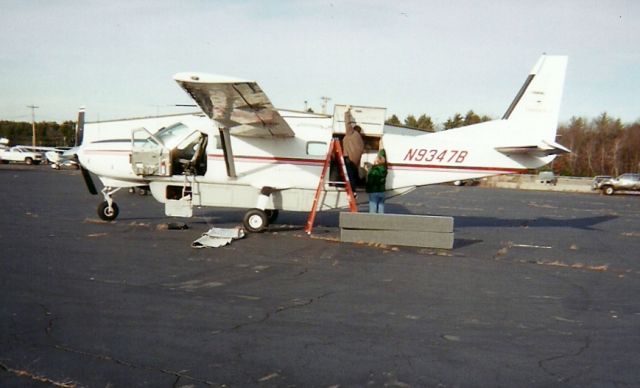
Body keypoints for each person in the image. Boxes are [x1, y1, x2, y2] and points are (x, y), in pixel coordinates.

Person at [342, 106, 364, 190]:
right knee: (352, 175)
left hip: (348, 158)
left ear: (354, 129)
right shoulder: (361, 140)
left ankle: (350, 189)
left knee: (349, 175)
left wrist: (347, 111)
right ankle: (353, 190)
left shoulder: (352, 133)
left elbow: (347, 123)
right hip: (355, 161)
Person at [366, 149, 387, 213]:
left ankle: (373, 222)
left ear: (377, 160)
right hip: (382, 191)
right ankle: (381, 222)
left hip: (374, 191)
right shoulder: (384, 169)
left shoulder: (374, 170)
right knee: (381, 210)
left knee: (373, 210)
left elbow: (371, 181)